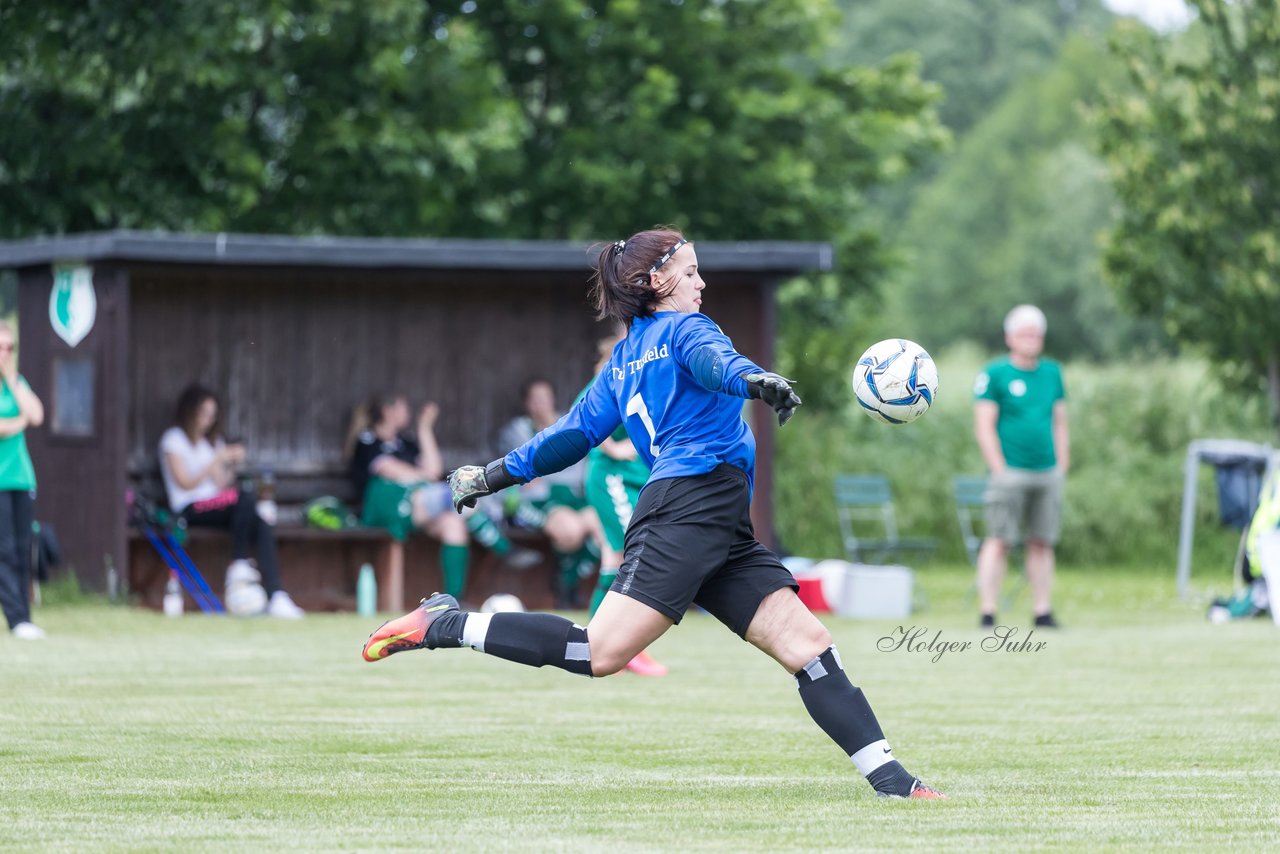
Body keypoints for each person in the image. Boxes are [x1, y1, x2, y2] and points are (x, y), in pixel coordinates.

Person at [362, 227, 944, 800]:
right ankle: (444, 624)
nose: (701, 281)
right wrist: (754, 379)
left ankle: (894, 784)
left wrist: (491, 474)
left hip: (717, 523)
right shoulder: (687, 328)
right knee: (597, 653)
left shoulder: (621, 361)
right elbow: (715, 360)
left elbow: (567, 436)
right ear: (654, 280)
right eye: (690, 271)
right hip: (686, 512)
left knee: (809, 647)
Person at [346, 393, 541, 602]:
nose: (408, 412)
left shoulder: (405, 441)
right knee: (454, 494)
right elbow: (391, 470)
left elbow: (434, 470)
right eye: (403, 407)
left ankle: (453, 602)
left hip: (418, 504)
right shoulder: (367, 440)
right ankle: (504, 548)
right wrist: (422, 475)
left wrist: (425, 428)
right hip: (385, 507)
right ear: (387, 411)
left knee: (453, 524)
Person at [159, 384, 305, 619]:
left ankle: (276, 595)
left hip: (215, 505)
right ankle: (238, 564)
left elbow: (220, 484)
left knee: (260, 521)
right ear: (191, 412)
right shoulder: (173, 439)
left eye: (212, 415)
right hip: (188, 508)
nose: (208, 420)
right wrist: (215, 459)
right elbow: (185, 482)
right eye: (204, 414)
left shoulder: (211, 443)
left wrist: (231, 463)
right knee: (244, 497)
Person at [973, 304, 1069, 629]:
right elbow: (984, 424)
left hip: (1047, 470)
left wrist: (1061, 463)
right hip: (1010, 470)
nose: (1030, 339)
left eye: (1036, 333)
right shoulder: (995, 373)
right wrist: (998, 467)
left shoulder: (1052, 373)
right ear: (1010, 337)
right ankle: (988, 611)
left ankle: (1042, 610)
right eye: (1024, 333)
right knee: (999, 539)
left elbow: (1059, 421)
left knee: (1041, 541)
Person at [579, 327, 666, 676]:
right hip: (610, 477)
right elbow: (582, 417)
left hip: (633, 478)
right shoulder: (609, 376)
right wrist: (615, 449)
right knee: (638, 551)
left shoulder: (643, 375)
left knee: (615, 556)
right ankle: (624, 646)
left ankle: (594, 643)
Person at [498, 378, 604, 608]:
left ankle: (568, 581)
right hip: (538, 500)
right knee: (571, 531)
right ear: (527, 404)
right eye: (535, 400)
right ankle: (565, 589)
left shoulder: (569, 422)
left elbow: (577, 472)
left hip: (573, 496)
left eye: (545, 399)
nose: (541, 405)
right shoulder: (518, 430)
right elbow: (529, 474)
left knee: (605, 528)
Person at [0, 322, 45, 640]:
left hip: (21, 479)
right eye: (0, 347)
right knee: (4, 551)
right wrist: (20, 421)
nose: (5, 353)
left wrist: (11, 380)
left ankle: (24, 617)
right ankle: (16, 618)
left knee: (21, 547)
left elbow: (37, 415)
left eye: (9, 347)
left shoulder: (17, 382)